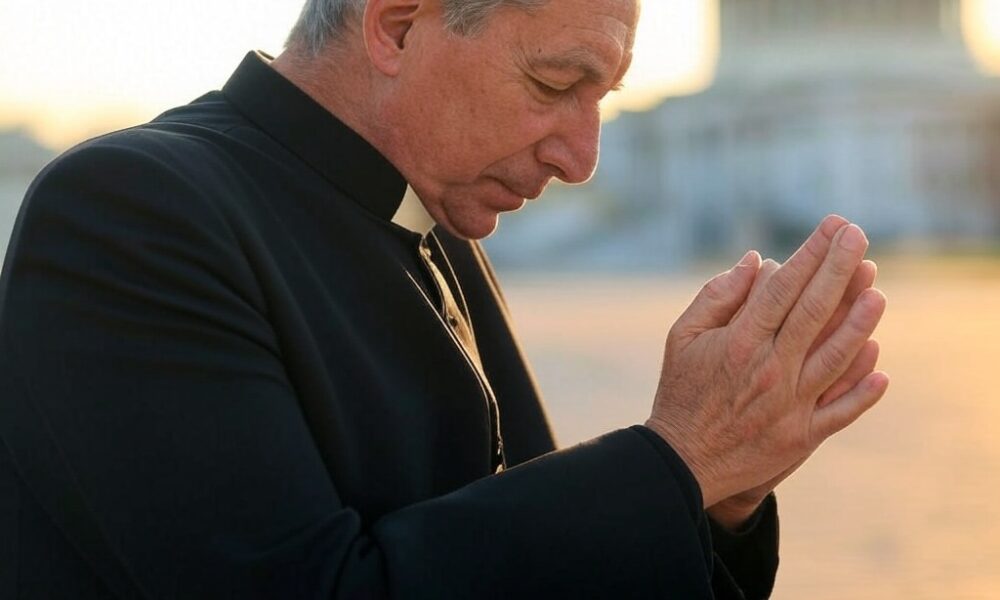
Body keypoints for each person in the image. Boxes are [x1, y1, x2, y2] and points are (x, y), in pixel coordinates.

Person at [0, 0, 888, 597]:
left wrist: (718, 497)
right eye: (553, 85)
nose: (581, 158)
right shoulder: (131, 210)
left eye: (603, 100)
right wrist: (676, 464)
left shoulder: (433, 213)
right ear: (395, 26)